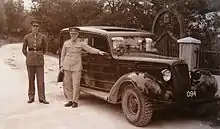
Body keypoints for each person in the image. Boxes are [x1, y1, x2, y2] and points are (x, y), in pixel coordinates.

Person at [60, 27, 106, 108]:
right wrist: (61, 66)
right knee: (67, 84)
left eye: (74, 34)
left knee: (76, 84)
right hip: (67, 66)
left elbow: (89, 49)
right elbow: (62, 55)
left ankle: (75, 101)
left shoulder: (81, 43)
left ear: (77, 34)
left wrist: (99, 51)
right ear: (70, 34)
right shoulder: (66, 43)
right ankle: (70, 100)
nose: (73, 35)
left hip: (76, 67)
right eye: (71, 34)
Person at [22, 19, 49, 104]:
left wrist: (39, 55)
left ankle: (42, 98)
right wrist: (29, 56)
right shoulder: (27, 37)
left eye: (37, 26)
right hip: (30, 61)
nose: (35, 28)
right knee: (31, 79)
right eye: (34, 26)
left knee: (40, 80)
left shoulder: (43, 37)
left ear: (39, 27)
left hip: (39, 61)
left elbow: (45, 49)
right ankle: (31, 97)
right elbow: (23, 49)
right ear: (31, 27)